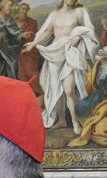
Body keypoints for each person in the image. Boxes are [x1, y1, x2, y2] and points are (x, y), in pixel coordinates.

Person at [22, 0, 99, 135]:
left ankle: (76, 122)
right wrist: (33, 44)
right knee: (55, 88)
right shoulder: (54, 14)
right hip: (55, 53)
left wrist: (79, 37)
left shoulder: (80, 11)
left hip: (70, 52)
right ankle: (61, 120)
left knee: (69, 89)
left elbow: (89, 30)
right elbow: (47, 31)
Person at [13, 3, 42, 95]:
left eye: (26, 9)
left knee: (31, 72)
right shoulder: (12, 22)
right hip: (13, 49)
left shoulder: (32, 22)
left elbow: (35, 36)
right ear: (19, 10)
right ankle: (24, 92)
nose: (24, 11)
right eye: (22, 9)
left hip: (29, 50)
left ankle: (40, 90)